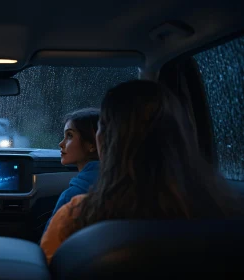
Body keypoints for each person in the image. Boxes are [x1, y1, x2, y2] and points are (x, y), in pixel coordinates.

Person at [40, 80, 241, 263]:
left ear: (102, 140)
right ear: (182, 134)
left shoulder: (76, 214)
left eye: (102, 126)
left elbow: (47, 265)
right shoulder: (228, 211)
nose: (61, 143)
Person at [41, 108, 100, 236]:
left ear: (92, 144)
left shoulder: (72, 197)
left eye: (70, 136)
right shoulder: (120, 184)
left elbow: (48, 247)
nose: (61, 143)